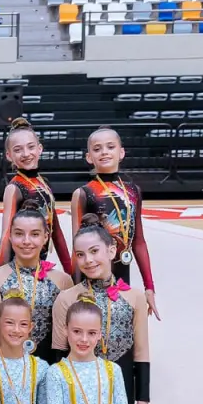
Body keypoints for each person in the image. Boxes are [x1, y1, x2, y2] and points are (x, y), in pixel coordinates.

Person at [52, 214, 152, 404]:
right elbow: (58, 354)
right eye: (80, 254)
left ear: (112, 250)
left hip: (121, 389)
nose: (88, 260)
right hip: (78, 391)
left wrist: (143, 401)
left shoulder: (134, 297)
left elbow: (141, 352)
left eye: (94, 251)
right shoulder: (67, 298)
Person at [71, 126, 159, 316]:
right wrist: (76, 289)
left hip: (122, 275)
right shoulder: (84, 193)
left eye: (110, 147)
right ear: (89, 157)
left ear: (121, 152)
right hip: (92, 279)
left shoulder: (133, 191)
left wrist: (149, 287)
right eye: (97, 149)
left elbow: (139, 241)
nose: (104, 152)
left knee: (121, 327)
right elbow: (76, 249)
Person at [0, 202, 73, 362]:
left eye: (34, 234)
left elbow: (66, 336)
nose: (26, 241)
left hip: (50, 364)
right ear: (10, 236)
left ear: (45, 237)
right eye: (19, 234)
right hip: (5, 365)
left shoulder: (62, 280)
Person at [0, 117, 72, 274]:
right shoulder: (14, 188)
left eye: (30, 147)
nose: (26, 154)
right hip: (18, 268)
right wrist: (2, 275)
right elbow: (6, 235)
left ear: (40, 149)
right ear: (9, 155)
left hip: (40, 264)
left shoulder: (44, 183)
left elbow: (56, 232)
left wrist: (71, 272)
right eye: (18, 150)